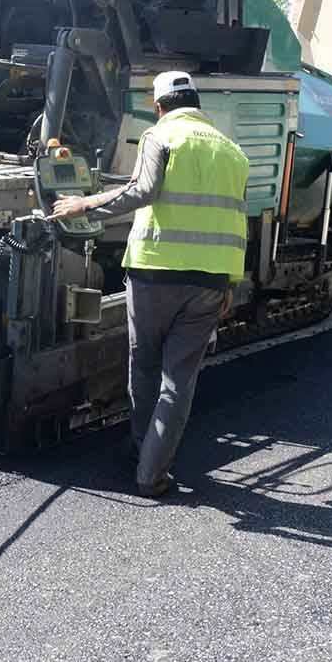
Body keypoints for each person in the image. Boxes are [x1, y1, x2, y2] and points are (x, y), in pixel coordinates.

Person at [52, 69, 250, 497]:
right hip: (210, 281)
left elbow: (142, 190)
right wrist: (230, 280)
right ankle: (151, 470)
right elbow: (238, 223)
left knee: (143, 367)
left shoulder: (160, 137)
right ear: (198, 103)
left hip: (156, 274)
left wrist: (85, 204)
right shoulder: (234, 152)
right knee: (179, 381)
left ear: (159, 106)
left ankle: (142, 454)